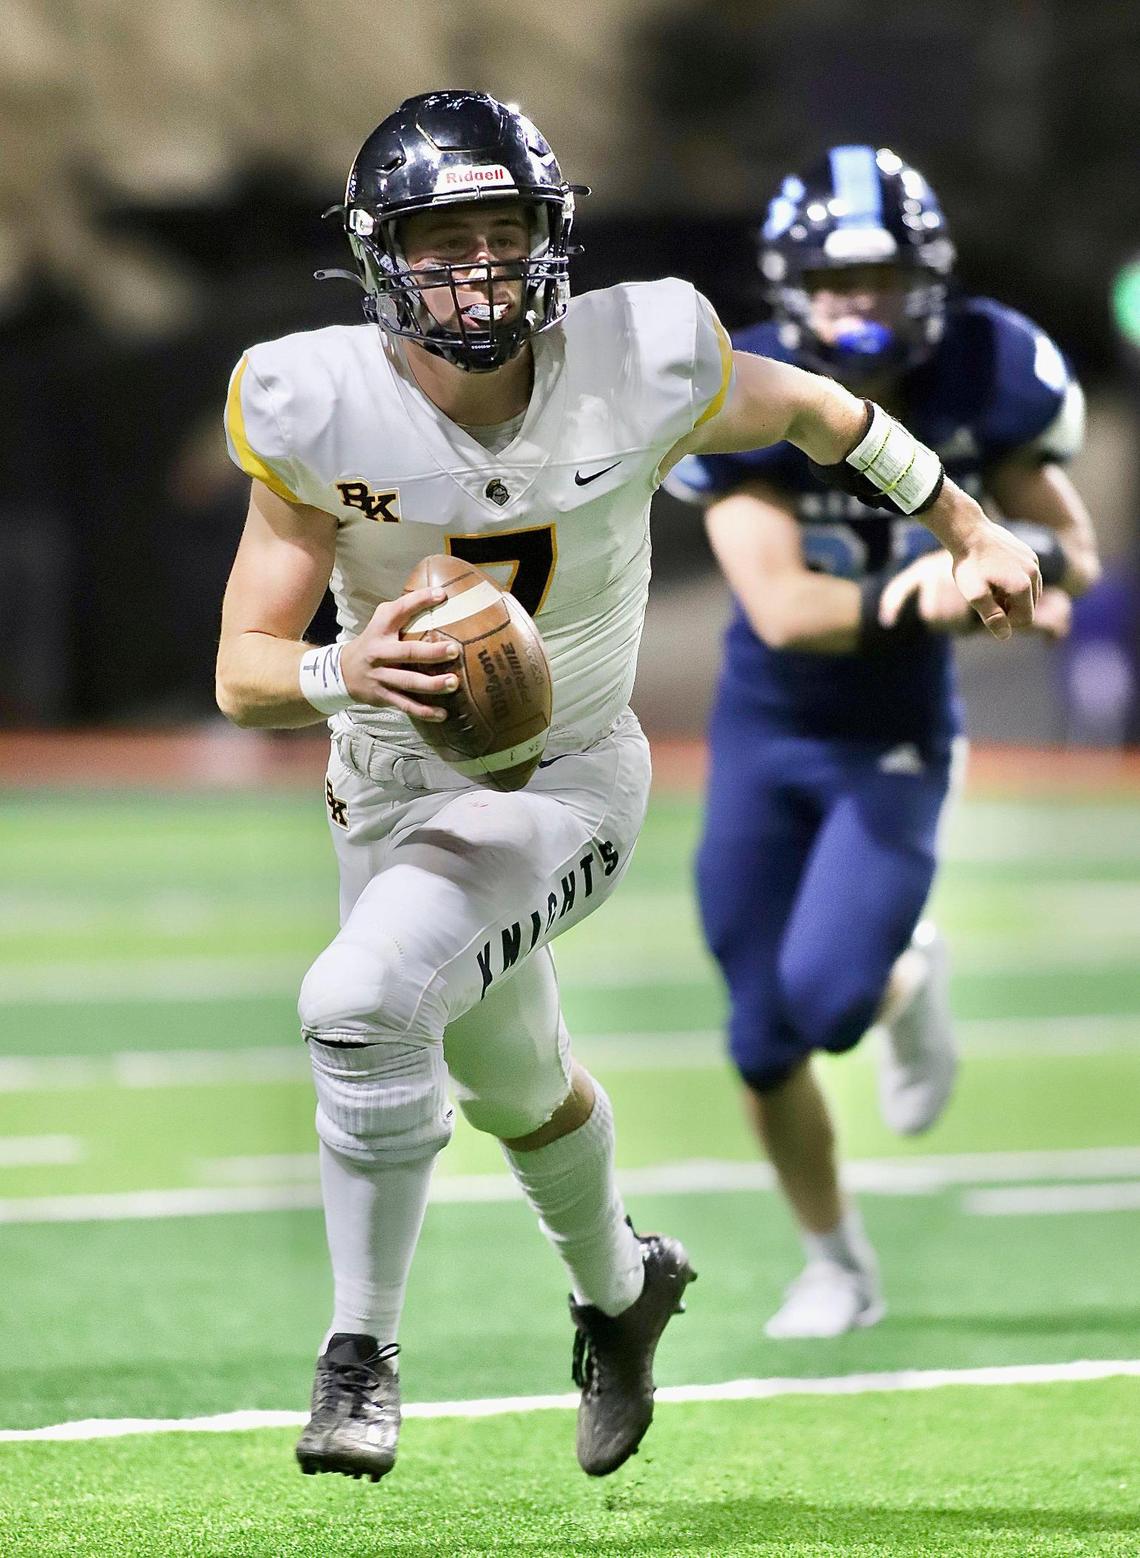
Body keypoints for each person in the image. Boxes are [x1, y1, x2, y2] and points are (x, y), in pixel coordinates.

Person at [216, 96, 1040, 1482]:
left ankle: (360, 1351)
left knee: (358, 1003)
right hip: (387, 788)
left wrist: (966, 520)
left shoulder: (642, 354)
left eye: (506, 235)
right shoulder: (314, 403)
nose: (480, 272)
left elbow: (831, 415)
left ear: (554, 241)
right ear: (379, 257)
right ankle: (624, 1288)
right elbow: (244, 668)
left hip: (566, 780)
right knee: (511, 1074)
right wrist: (341, 668)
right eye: (444, 241)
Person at [665, 145, 1100, 1340]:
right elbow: (785, 611)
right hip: (768, 729)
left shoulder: (987, 363)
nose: (863, 305)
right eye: (838, 280)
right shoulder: (752, 386)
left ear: (933, 278)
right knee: (761, 1037)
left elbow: (1075, 549)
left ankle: (902, 973)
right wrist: (920, 591)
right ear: (793, 283)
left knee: (830, 1002)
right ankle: (836, 1263)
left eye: (887, 278)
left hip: (895, 737)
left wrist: (1011, 570)